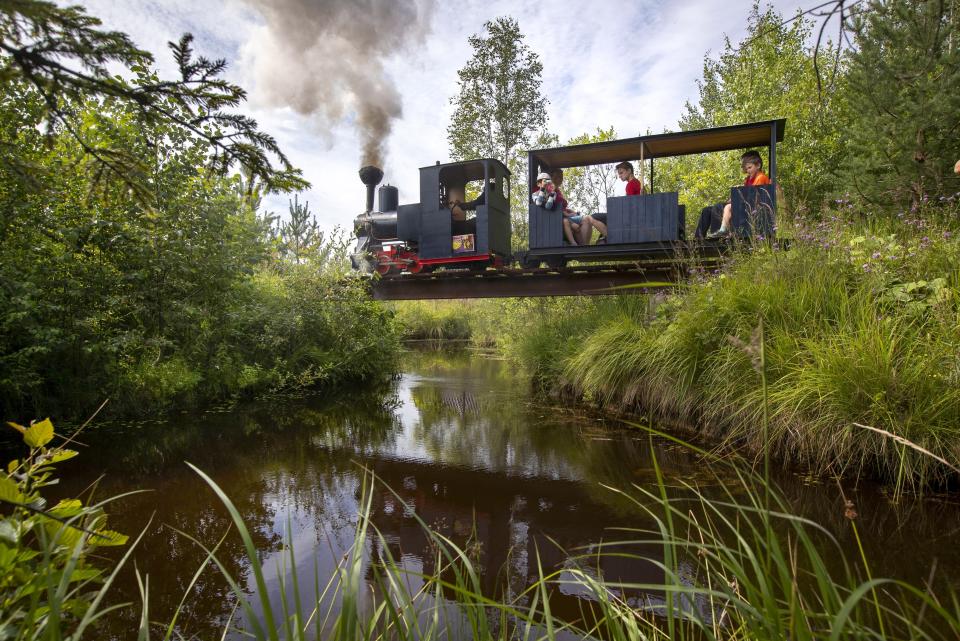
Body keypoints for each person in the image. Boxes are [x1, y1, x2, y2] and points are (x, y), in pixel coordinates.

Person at [698, 150, 771, 239]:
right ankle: (698, 238)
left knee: (719, 206)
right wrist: (735, 194)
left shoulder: (760, 177)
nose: (747, 170)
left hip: (750, 208)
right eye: (745, 168)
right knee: (707, 210)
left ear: (758, 165)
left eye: (749, 167)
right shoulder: (748, 179)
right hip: (742, 205)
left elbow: (752, 196)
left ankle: (719, 235)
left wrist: (737, 196)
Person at [582, 160, 645, 244]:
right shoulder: (637, 183)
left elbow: (629, 204)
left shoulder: (631, 184)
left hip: (626, 217)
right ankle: (605, 236)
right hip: (629, 216)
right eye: (619, 173)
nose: (619, 176)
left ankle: (609, 237)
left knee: (591, 217)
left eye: (621, 173)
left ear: (629, 171)